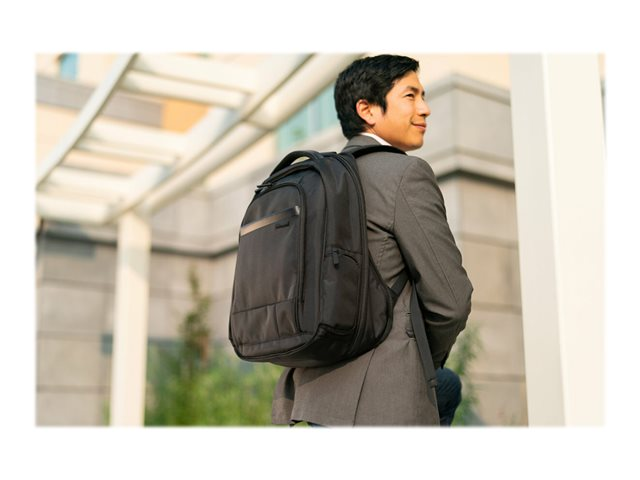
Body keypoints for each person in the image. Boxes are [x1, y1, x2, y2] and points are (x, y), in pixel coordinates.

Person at [271, 54, 473, 426]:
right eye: (410, 96)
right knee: (444, 384)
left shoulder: (312, 180)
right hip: (382, 400)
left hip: (313, 393)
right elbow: (452, 300)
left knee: (446, 387)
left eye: (423, 96)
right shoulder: (404, 173)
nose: (425, 108)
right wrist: (423, 361)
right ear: (367, 109)